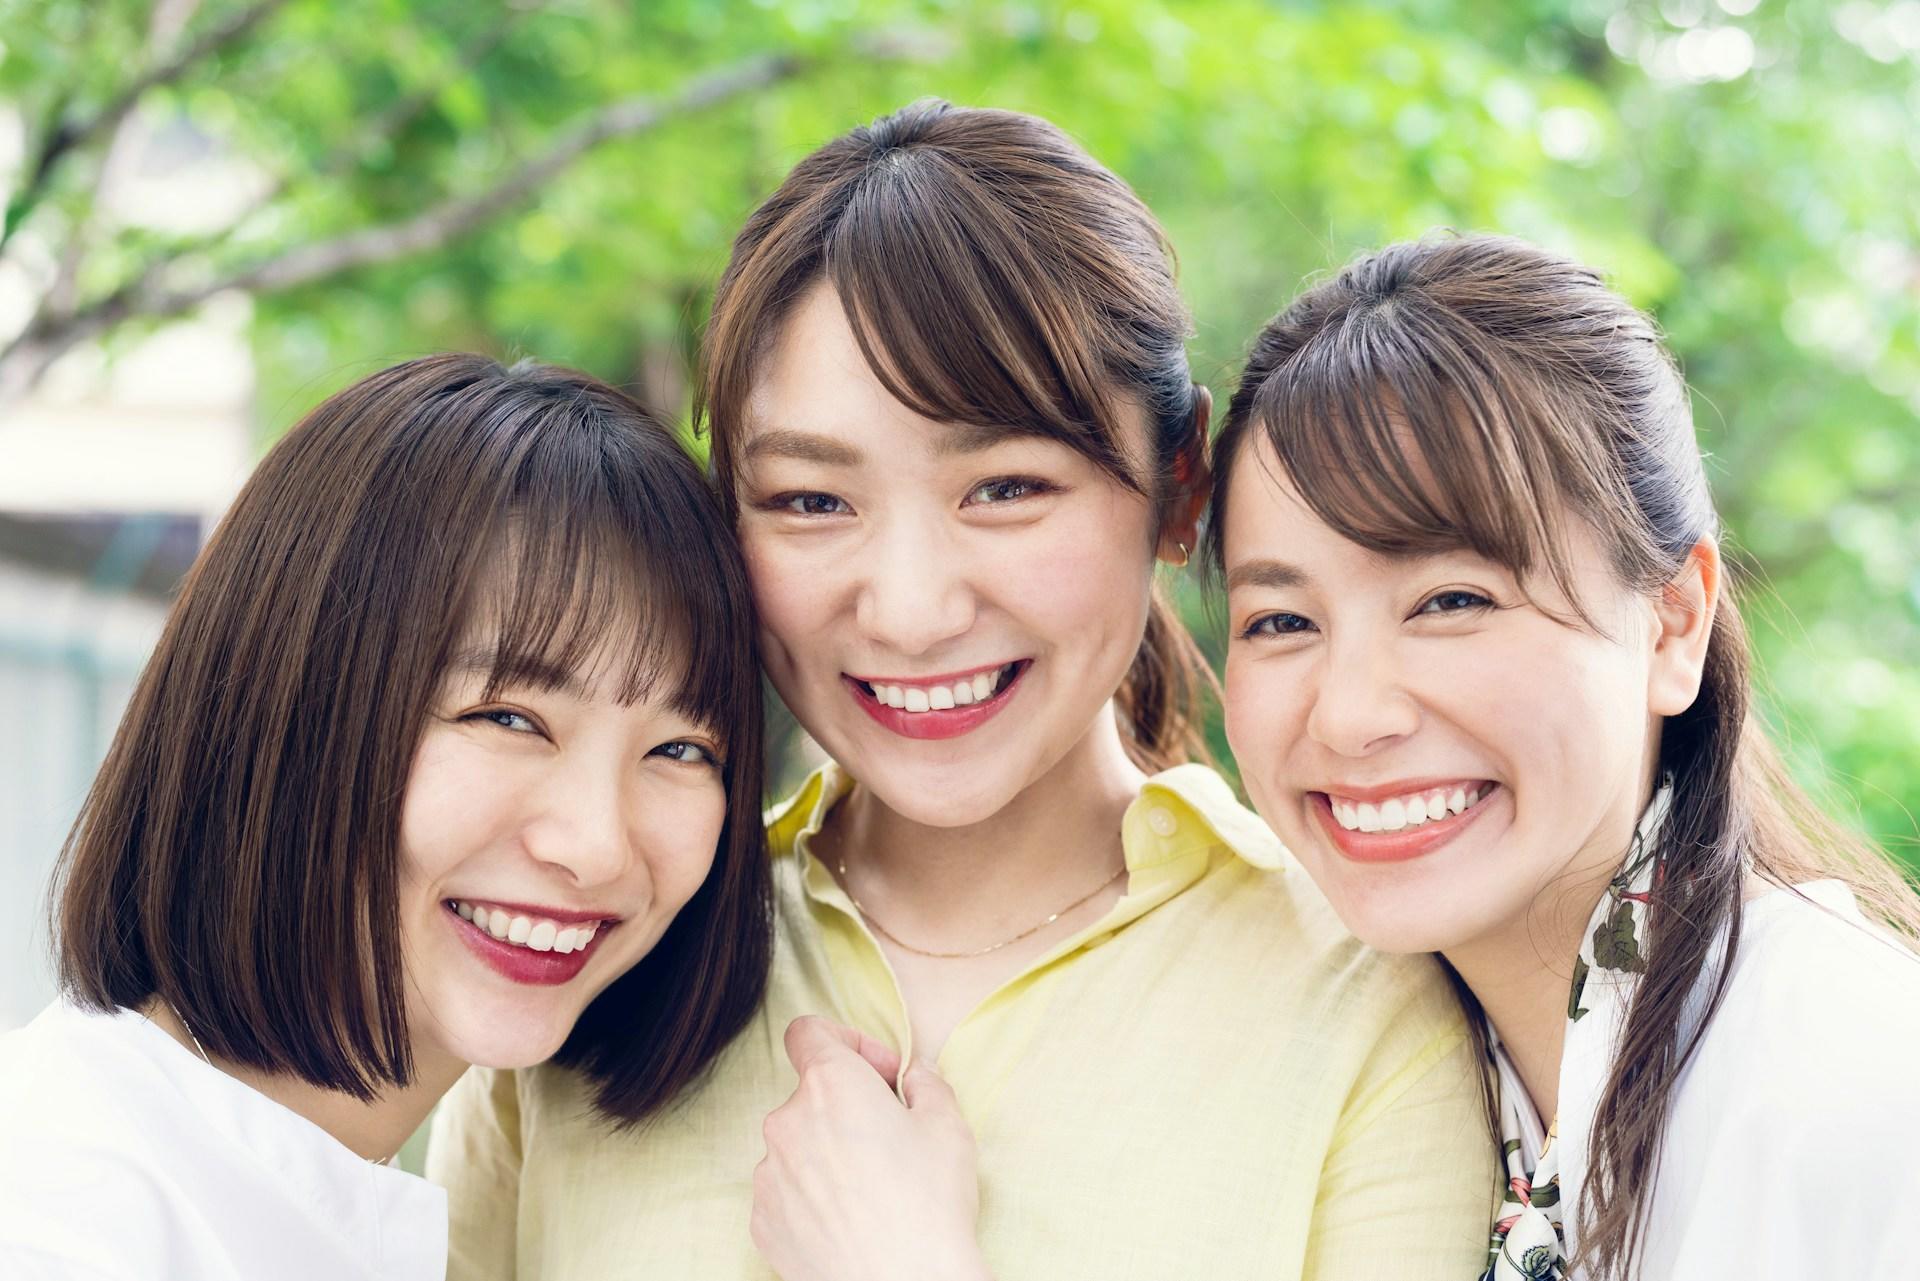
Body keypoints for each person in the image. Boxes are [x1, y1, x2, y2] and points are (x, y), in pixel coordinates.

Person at [430, 100, 1493, 1281]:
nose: (910, 609)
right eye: (810, 502)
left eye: (1004, 488)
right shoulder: (600, 956)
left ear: (1179, 486)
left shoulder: (1361, 1009)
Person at [1206, 233, 1920, 1279]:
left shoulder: (1849, 1077)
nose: (1350, 716)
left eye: (1451, 601)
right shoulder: (1376, 1065)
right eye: (1280, 620)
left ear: (1673, 623)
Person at [0, 355, 772, 1281]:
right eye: (509, 718)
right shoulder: (62, 1219)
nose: (598, 846)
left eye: (682, 749)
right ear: (288, 701)